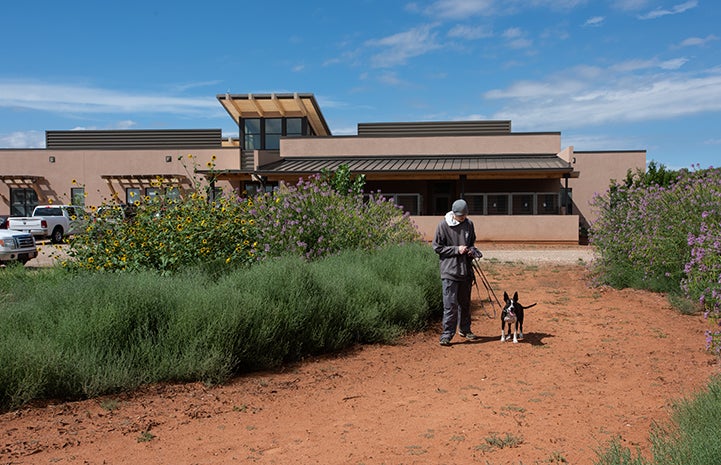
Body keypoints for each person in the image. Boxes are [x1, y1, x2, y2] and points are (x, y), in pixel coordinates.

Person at [432, 198, 483, 346]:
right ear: (454, 213)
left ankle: (465, 330)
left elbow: (471, 243)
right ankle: (447, 334)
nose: (463, 218)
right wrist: (456, 249)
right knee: (450, 305)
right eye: (460, 216)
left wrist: (472, 251)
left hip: (465, 271)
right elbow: (437, 247)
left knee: (465, 304)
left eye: (464, 215)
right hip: (449, 272)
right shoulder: (443, 226)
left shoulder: (469, 224)